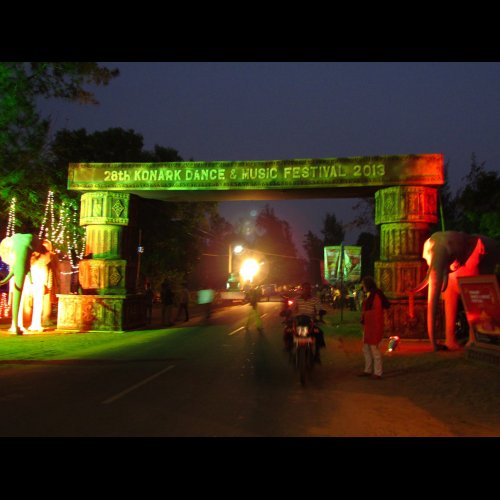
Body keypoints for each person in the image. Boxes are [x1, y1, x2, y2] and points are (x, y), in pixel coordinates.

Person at [284, 282, 326, 361]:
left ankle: (317, 353)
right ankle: (289, 347)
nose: (307, 290)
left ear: (310, 290)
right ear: (302, 289)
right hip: (298, 320)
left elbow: (319, 308)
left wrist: (321, 312)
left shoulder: (315, 299)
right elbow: (291, 308)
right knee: (287, 330)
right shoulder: (297, 299)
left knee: (319, 332)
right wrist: (287, 312)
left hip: (310, 320)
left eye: (308, 289)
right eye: (305, 289)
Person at [358, 276, 387, 379]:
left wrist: (365, 314)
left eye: (363, 285)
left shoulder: (376, 295)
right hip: (368, 327)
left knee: (374, 349)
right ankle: (368, 369)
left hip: (374, 326)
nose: (363, 287)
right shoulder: (371, 295)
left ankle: (378, 372)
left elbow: (377, 312)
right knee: (366, 349)